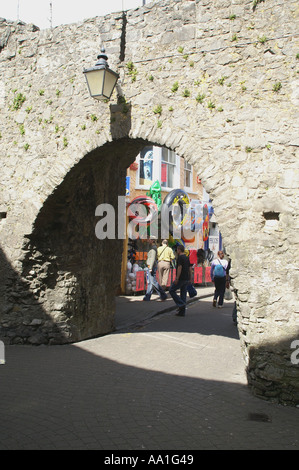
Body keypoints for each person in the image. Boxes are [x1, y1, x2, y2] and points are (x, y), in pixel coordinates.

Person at [169, 244, 192, 316]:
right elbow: (190, 268)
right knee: (183, 294)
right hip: (186, 278)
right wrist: (190, 278)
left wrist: (177, 278)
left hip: (181, 278)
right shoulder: (186, 257)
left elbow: (179, 267)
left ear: (179, 250)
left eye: (177, 249)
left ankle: (181, 303)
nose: (177, 251)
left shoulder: (180, 258)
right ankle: (182, 312)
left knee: (171, 290)